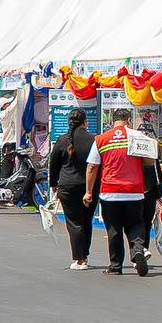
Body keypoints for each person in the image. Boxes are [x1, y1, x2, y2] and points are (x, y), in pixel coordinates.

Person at [87, 105, 156, 275]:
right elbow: (150, 162)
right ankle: (138, 250)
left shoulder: (101, 139)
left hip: (110, 192)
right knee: (136, 224)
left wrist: (88, 191)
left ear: (112, 122)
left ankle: (116, 266)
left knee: (114, 229)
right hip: (134, 192)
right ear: (129, 121)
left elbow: (91, 167)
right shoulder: (137, 136)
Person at [48, 110, 97, 270]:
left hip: (67, 186)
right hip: (90, 186)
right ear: (85, 122)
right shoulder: (93, 140)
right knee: (86, 220)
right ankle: (85, 255)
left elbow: (53, 164)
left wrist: (53, 184)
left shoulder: (62, 140)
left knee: (74, 222)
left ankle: (80, 259)